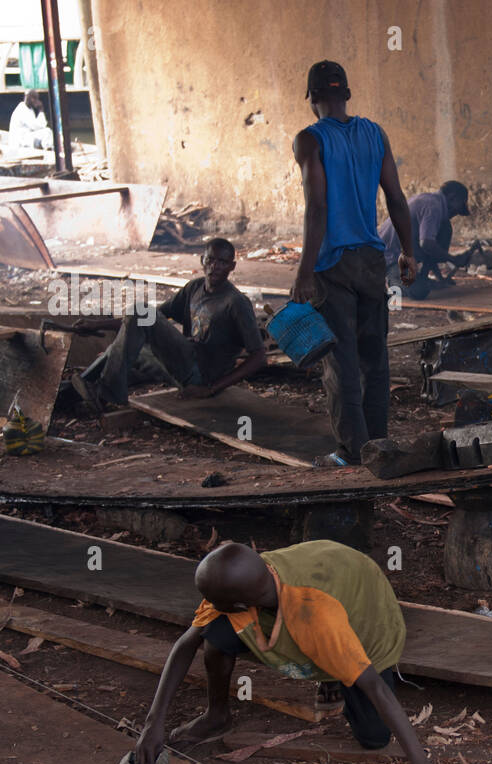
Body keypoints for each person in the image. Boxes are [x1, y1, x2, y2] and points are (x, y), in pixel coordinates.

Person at [132, 540, 472, 764]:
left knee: (373, 737)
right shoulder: (242, 577)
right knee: (212, 636)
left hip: (361, 614)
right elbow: (186, 644)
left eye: (212, 600)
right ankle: (216, 715)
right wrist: (153, 724)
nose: (205, 603)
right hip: (319, 589)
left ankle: (335, 673)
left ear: (238, 603)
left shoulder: (315, 615)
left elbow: (376, 690)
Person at [290, 60, 417, 467]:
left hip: (333, 264)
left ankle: (351, 452)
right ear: (346, 94)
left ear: (312, 99)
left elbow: (318, 207)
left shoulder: (309, 140)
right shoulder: (374, 134)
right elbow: (396, 198)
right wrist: (408, 252)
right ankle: (377, 446)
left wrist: (304, 271)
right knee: (374, 358)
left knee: (340, 363)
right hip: (371, 259)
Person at [72, 238, 266, 414]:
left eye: (222, 262)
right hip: (181, 366)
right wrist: (97, 325)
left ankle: (108, 393)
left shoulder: (236, 302)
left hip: (202, 375)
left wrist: (209, 389)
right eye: (211, 260)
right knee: (122, 345)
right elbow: (142, 321)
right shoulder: (195, 287)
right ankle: (72, 392)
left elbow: (259, 357)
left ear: (232, 267)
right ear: (202, 261)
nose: (215, 267)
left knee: (141, 310)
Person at [379, 181, 474, 301]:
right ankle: (391, 281)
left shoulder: (431, 201)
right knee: (419, 291)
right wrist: (453, 259)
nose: (455, 214)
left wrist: (441, 279)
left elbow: (430, 247)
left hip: (403, 254)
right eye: (457, 209)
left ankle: (421, 278)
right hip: (389, 258)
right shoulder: (433, 207)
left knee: (445, 228)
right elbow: (427, 245)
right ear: (452, 197)